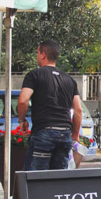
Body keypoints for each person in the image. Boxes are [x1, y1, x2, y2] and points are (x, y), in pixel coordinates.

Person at [18, 39, 82, 171]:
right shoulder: (69, 80)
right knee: (59, 179)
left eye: (37, 53)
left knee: (34, 178)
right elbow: (78, 110)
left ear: (43, 54)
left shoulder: (34, 75)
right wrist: (75, 134)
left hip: (44, 131)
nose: (37, 56)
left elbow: (23, 100)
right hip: (64, 133)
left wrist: (22, 120)